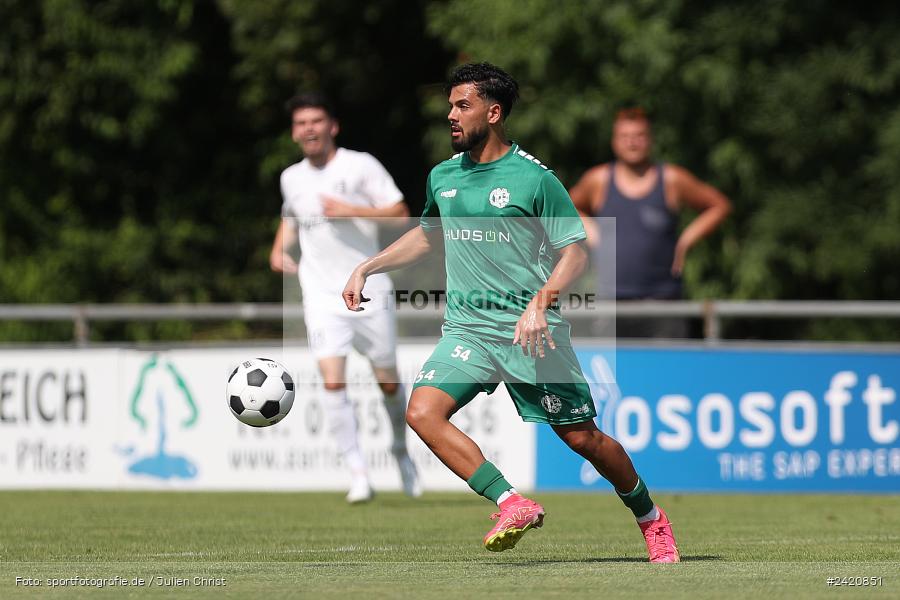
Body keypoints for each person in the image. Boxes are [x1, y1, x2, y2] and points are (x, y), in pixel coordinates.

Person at [342, 64, 679, 562]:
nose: (451, 115)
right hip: (469, 330)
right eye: (450, 105)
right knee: (422, 411)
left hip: (530, 335)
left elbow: (576, 252)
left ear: (493, 112)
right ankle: (510, 501)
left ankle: (651, 519)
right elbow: (429, 234)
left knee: (583, 438)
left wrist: (541, 302)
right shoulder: (444, 176)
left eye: (463, 105)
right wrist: (368, 266)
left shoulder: (535, 180)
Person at [270, 92, 421, 503]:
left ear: (332, 125)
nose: (309, 129)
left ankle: (400, 451)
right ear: (294, 132)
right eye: (302, 123)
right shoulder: (291, 177)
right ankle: (358, 473)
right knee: (332, 382)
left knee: (387, 382)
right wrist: (279, 248)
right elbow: (292, 217)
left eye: (316, 121)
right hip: (320, 295)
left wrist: (351, 209)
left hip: (369, 290)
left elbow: (400, 213)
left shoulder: (360, 165)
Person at [570, 107, 731, 338]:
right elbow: (563, 207)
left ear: (650, 140)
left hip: (663, 303)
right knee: (611, 374)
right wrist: (592, 231)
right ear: (614, 142)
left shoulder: (671, 179)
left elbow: (719, 205)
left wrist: (686, 240)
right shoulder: (599, 180)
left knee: (667, 373)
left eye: (639, 136)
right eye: (625, 137)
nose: (632, 143)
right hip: (610, 303)